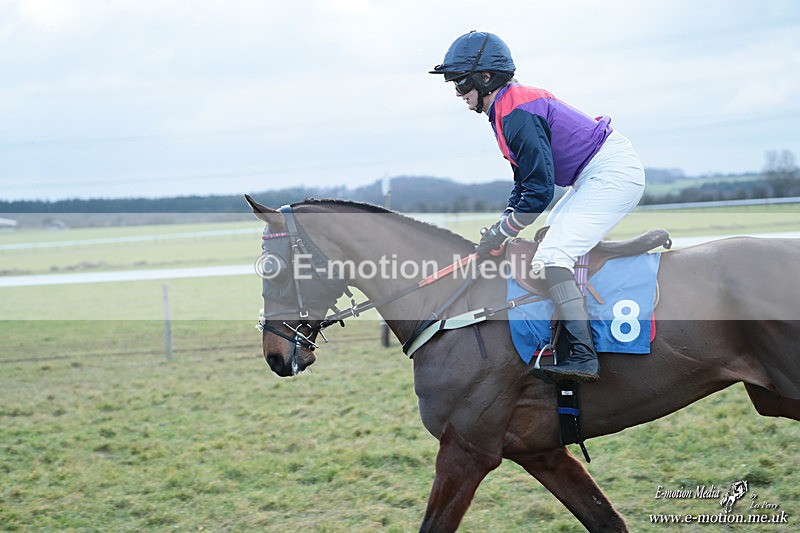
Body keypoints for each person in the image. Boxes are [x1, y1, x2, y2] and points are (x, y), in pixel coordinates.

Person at [430, 31, 645, 383]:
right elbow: (524, 184)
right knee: (551, 243)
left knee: (552, 255)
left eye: (460, 83)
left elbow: (541, 192)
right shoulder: (504, 110)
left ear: (485, 77)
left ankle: (583, 355)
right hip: (593, 174)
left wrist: (505, 230)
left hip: (611, 172)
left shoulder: (516, 111)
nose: (458, 93)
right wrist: (502, 226)